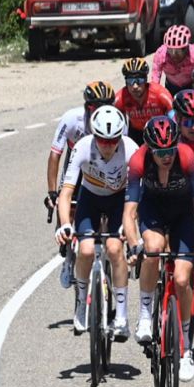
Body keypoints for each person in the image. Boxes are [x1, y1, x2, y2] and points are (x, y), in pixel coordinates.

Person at [124, 116, 194, 384]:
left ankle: (185, 347)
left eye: (170, 150)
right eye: (160, 152)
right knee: (153, 249)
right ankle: (146, 315)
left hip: (182, 216)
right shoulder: (139, 161)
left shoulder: (185, 157)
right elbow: (129, 213)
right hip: (152, 213)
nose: (166, 157)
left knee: (183, 279)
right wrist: (133, 244)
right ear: (149, 149)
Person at [54, 105, 138, 339]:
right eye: (102, 140)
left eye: (113, 141)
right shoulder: (83, 147)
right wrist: (64, 224)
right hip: (89, 199)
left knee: (114, 247)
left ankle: (121, 316)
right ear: (95, 136)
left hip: (119, 201)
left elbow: (139, 192)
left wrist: (130, 223)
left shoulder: (131, 149)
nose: (108, 146)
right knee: (87, 249)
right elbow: (66, 193)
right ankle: (82, 303)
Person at [48, 82, 116, 221]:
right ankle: (65, 237)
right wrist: (52, 192)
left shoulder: (117, 121)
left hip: (103, 163)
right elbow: (55, 154)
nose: (100, 113)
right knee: (67, 209)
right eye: (96, 107)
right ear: (87, 107)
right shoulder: (72, 119)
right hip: (76, 162)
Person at [117, 57, 175, 145]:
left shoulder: (160, 94)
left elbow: (174, 119)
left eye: (139, 81)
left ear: (145, 80)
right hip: (136, 133)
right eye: (130, 81)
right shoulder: (120, 97)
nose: (135, 86)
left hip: (159, 131)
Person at [152, 25, 194, 95]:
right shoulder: (161, 54)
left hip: (190, 85)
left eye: (178, 51)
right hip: (171, 86)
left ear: (185, 49)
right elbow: (155, 77)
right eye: (170, 50)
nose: (174, 54)